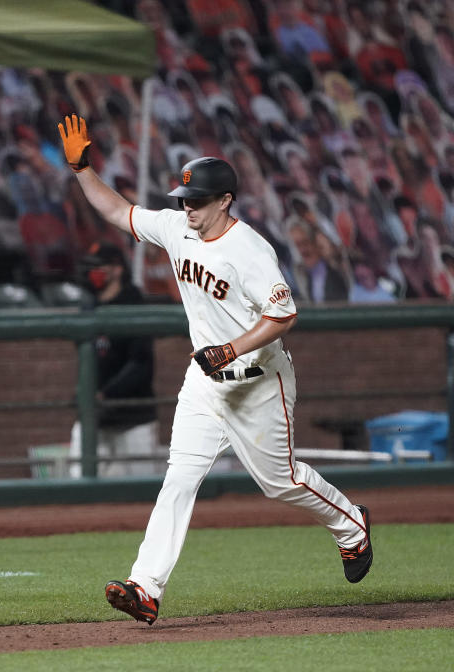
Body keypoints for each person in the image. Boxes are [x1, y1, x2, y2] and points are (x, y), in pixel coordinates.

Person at [57, 114, 372, 625]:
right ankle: (146, 587)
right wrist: (82, 169)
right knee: (178, 480)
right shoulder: (178, 227)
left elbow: (284, 314)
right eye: (184, 198)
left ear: (224, 200)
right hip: (204, 386)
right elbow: (118, 211)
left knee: (281, 482)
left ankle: (352, 525)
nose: (187, 208)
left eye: (197, 201)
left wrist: (230, 350)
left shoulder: (249, 249)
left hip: (259, 385)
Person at [68, 241, 159, 478]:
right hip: (95, 417)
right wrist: (85, 393)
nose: (91, 273)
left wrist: (106, 393)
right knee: (80, 485)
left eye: (98, 267)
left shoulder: (133, 304)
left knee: (141, 492)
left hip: (132, 418)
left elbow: (141, 364)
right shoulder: (89, 306)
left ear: (117, 269)